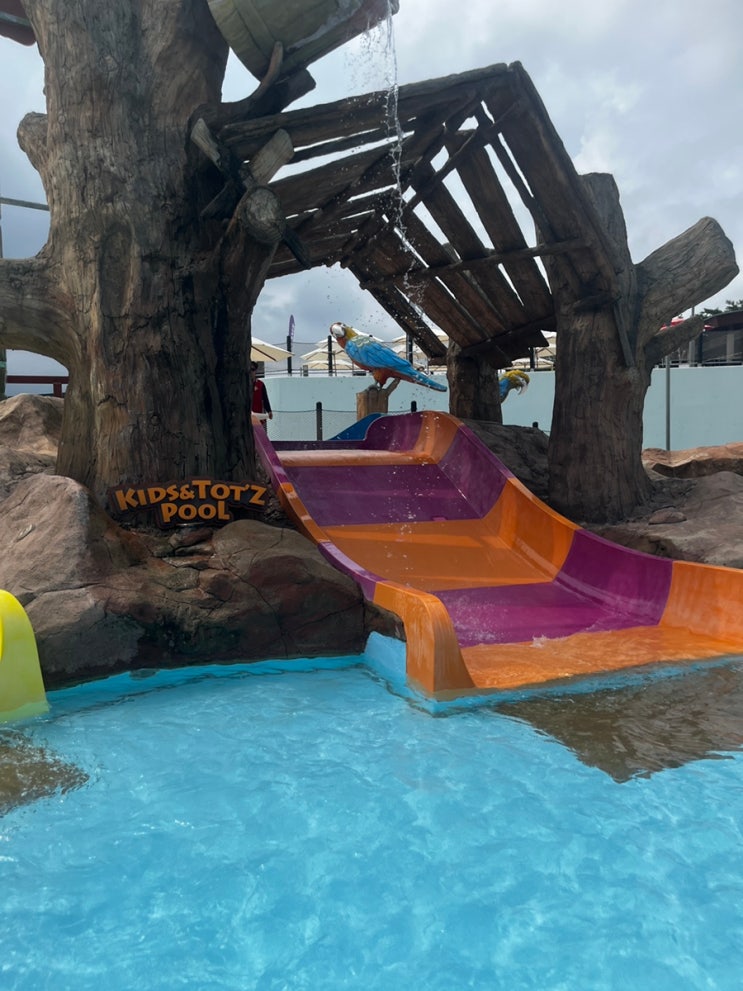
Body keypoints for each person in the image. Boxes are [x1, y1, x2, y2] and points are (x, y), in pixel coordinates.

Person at [250, 361, 273, 428]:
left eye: (253, 369)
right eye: (249, 369)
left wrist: (269, 411)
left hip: (258, 417)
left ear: (255, 371)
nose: (251, 372)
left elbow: (265, 399)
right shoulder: (243, 385)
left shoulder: (260, 384)